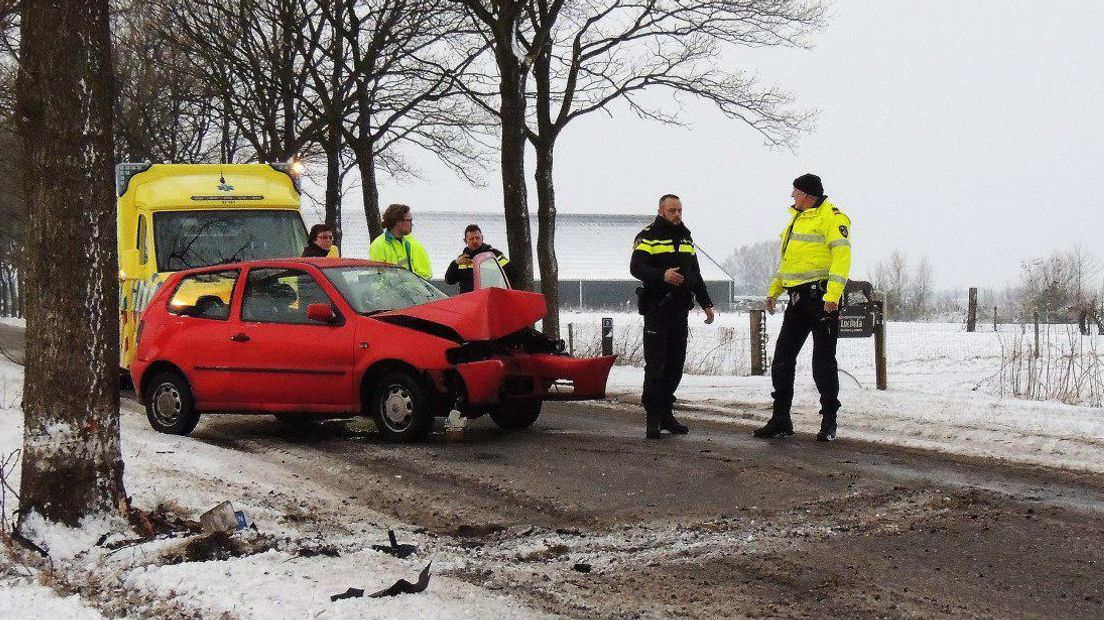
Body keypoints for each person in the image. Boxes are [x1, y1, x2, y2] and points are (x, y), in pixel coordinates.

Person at [755, 173, 852, 442]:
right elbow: (788, 262)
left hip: (822, 299)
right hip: (797, 300)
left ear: (808, 195)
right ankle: (781, 419)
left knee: (822, 363)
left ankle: (829, 420)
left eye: (795, 192)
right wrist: (773, 291)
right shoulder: (796, 219)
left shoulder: (833, 217)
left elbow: (842, 258)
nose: (792, 196)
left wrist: (833, 295)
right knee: (782, 359)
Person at [630, 194, 715, 439]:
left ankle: (666, 413)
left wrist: (706, 303)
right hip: (657, 309)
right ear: (660, 211)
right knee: (656, 365)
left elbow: (695, 273)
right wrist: (662, 275)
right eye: (672, 210)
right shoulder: (648, 236)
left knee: (675, 365)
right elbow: (636, 267)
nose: (677, 214)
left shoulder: (686, 238)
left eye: (679, 210)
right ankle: (653, 417)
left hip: (680, 310)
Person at [368, 203, 432, 279]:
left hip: (414, 289)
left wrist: (410, 286)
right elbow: (377, 279)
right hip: (388, 290)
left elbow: (426, 274)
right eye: (409, 220)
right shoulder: (378, 245)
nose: (412, 224)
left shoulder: (413, 243)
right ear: (398, 222)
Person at [444, 224, 511, 293]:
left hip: (489, 299)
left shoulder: (495, 256)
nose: (475, 241)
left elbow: (513, 274)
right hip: (469, 301)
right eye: (471, 239)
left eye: (477, 238)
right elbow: (449, 280)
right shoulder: (462, 259)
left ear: (482, 238)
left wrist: (501, 292)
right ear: (465, 241)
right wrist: (455, 264)